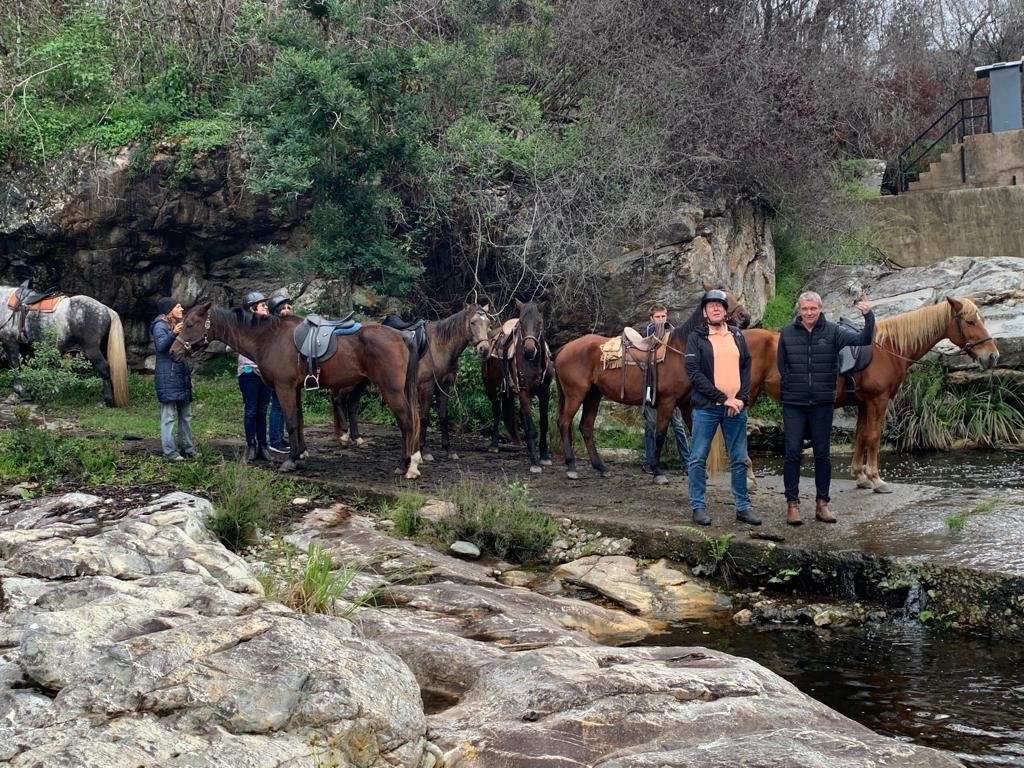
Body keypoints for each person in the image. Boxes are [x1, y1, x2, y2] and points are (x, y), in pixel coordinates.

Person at [778, 291, 874, 525]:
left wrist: (869, 317)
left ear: (820, 308)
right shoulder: (787, 333)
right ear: (799, 310)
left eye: (813, 309)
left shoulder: (833, 331)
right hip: (794, 403)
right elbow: (782, 366)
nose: (809, 313)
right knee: (792, 453)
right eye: (804, 309)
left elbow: (864, 340)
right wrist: (794, 388)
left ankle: (822, 504)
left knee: (822, 454)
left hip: (822, 403)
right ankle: (793, 505)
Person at [684, 289, 759, 526]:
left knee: (738, 459)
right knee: (697, 458)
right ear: (705, 312)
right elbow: (694, 373)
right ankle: (698, 506)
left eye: (719, 305)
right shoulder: (696, 338)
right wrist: (721, 397)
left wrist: (742, 398)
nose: (715, 309)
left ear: (725, 311)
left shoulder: (737, 335)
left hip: (735, 408)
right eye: (711, 306)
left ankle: (743, 507)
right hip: (707, 407)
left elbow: (746, 366)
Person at [641, 304, 690, 478]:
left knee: (678, 426)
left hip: (673, 389)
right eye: (657, 317)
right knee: (651, 424)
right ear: (651, 319)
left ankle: (687, 462)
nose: (661, 320)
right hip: (651, 388)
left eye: (663, 317)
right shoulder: (647, 335)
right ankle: (648, 461)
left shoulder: (674, 334)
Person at [151, 298, 195, 462]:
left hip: (181, 376)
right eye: (178, 306)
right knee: (168, 417)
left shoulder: (177, 325)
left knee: (186, 415)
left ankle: (188, 449)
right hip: (167, 377)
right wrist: (174, 333)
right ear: (169, 310)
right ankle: (170, 452)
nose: (182, 308)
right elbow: (161, 347)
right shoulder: (160, 326)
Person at [239, 291, 272, 461]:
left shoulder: (270, 325)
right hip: (248, 372)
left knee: (263, 409)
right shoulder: (243, 327)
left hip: (266, 372)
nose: (266, 307)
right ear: (252, 308)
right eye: (262, 305)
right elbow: (231, 346)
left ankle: (263, 446)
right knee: (251, 409)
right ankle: (251, 445)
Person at [267, 294, 293, 453]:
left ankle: (279, 437)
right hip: (277, 371)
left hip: (284, 371)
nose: (286, 311)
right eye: (282, 309)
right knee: (277, 406)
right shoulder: (274, 328)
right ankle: (275, 440)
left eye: (288, 307)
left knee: (282, 406)